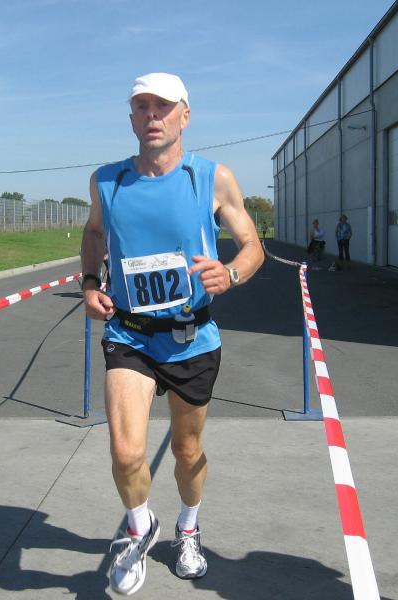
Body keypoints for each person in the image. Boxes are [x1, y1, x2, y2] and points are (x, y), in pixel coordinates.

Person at [80, 72, 264, 596]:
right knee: (125, 453)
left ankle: (188, 527)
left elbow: (252, 246)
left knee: (187, 452)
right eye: (141, 106)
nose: (152, 115)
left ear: (185, 115)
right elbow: (94, 232)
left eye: (162, 106)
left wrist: (231, 274)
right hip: (130, 335)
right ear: (131, 118)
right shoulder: (107, 181)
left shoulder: (211, 178)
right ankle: (140, 528)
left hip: (191, 337)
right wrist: (90, 282)